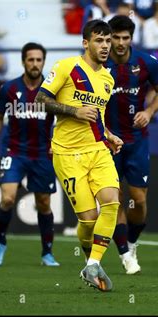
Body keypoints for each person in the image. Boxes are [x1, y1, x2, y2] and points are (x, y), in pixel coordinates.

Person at [36, 20, 123, 291]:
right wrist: (74, 111)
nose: (106, 46)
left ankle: (93, 264)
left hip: (97, 150)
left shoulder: (108, 78)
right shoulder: (66, 67)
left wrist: (108, 134)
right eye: (99, 40)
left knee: (111, 203)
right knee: (88, 219)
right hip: (67, 153)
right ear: (86, 43)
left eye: (108, 41)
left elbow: (97, 117)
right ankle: (90, 260)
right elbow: (41, 99)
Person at [104, 16, 158, 274]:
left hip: (137, 140)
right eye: (115, 38)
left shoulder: (145, 62)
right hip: (108, 142)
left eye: (125, 38)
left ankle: (132, 243)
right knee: (114, 199)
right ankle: (124, 256)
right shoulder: (97, 63)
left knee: (139, 200)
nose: (120, 43)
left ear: (131, 38)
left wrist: (150, 112)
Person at [0, 43, 59, 267]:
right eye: (31, 60)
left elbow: (63, 119)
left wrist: (57, 143)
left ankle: (47, 252)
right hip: (15, 151)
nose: (35, 64)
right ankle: (0, 242)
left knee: (44, 203)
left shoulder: (52, 89)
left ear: (43, 62)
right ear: (23, 61)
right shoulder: (9, 88)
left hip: (42, 153)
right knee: (7, 198)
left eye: (38, 60)